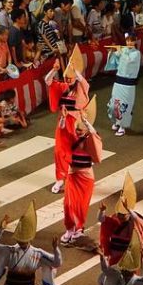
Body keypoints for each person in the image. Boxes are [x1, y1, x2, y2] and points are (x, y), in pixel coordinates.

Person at [45, 57, 90, 194]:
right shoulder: (63, 87)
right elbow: (48, 81)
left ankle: (80, 178)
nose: (68, 79)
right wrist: (54, 70)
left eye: (71, 77)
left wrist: (75, 70)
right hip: (64, 123)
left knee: (78, 152)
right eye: (67, 77)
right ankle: (60, 179)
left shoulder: (81, 87)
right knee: (59, 151)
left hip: (77, 123)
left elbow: (85, 83)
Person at [61, 111, 103, 244]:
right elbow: (63, 132)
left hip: (85, 177)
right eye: (76, 129)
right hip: (73, 175)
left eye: (80, 129)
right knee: (68, 204)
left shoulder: (89, 139)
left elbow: (94, 134)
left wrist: (86, 121)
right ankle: (70, 228)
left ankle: (78, 229)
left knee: (80, 205)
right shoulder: (72, 138)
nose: (78, 131)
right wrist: (63, 118)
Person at [97, 172, 143, 268]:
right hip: (115, 256)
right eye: (119, 214)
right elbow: (101, 219)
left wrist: (128, 208)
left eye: (123, 215)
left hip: (128, 256)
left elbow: (139, 229)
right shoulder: (114, 219)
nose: (120, 217)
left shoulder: (135, 223)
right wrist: (101, 211)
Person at [105, 33, 142, 137]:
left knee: (124, 106)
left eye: (131, 40)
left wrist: (120, 51)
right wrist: (111, 52)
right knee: (114, 105)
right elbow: (115, 59)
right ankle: (116, 122)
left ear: (135, 41)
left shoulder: (137, 53)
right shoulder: (124, 50)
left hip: (128, 85)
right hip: (118, 82)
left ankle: (122, 127)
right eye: (128, 41)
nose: (129, 43)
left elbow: (128, 61)